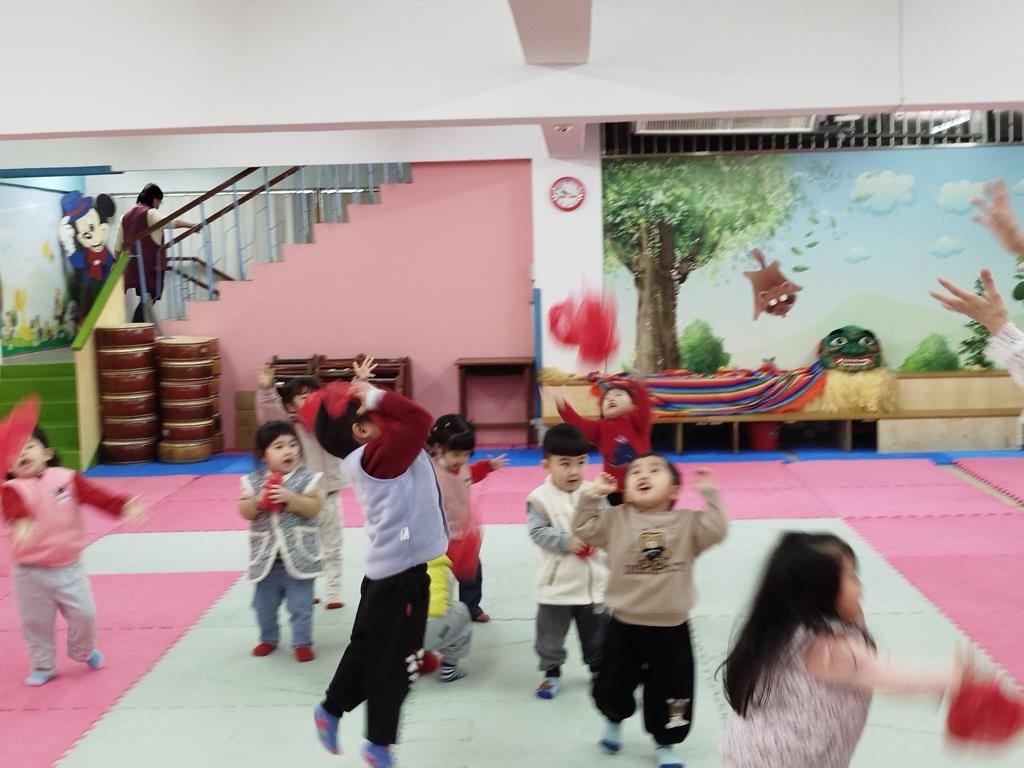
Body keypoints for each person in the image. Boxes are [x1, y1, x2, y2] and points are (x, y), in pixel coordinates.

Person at [719, 532, 972, 768]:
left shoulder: (785, 632)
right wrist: (952, 675)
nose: (860, 586)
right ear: (822, 593)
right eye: (851, 577)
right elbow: (889, 676)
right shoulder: (828, 648)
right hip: (788, 759)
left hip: (754, 750)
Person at [305, 379, 449, 768]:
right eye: (376, 414)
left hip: (395, 571)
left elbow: (404, 419)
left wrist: (368, 391)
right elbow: (418, 418)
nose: (386, 414)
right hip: (400, 575)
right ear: (362, 430)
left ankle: (331, 709)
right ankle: (378, 744)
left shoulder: (379, 451)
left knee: (369, 647)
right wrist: (371, 396)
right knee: (394, 664)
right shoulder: (381, 456)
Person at [573, 454, 728, 768]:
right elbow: (584, 528)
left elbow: (717, 529)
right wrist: (592, 496)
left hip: (671, 628)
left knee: (673, 690)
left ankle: (665, 741)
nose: (643, 475)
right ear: (626, 491)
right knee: (612, 683)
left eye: (655, 470)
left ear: (674, 490)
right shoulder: (615, 519)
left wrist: (710, 496)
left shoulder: (687, 523)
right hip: (624, 624)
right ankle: (614, 718)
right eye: (635, 472)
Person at [1, 427, 145, 686]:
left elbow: (96, 496)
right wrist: (20, 521)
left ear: (47, 453)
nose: (22, 453)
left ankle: (83, 650)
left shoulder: (66, 478)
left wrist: (121, 505)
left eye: (29, 446)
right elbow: (14, 508)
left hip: (68, 567)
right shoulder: (12, 488)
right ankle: (43, 665)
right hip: (29, 573)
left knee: (84, 614)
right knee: (35, 622)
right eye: (13, 452)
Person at [254, 356, 377, 609]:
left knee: (333, 545)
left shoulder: (331, 421)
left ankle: (333, 591)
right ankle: (306, 588)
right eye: (302, 397)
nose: (309, 399)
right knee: (304, 546)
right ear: (290, 405)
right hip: (300, 497)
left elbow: (348, 402)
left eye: (313, 394)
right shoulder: (290, 426)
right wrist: (267, 389)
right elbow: (269, 416)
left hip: (329, 494)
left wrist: (360, 380)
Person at [527, 423, 609, 699]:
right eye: (565, 464)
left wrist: (598, 538)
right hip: (557, 587)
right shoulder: (539, 498)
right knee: (550, 636)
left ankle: (598, 670)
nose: (574, 471)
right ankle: (551, 673)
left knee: (598, 634)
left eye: (581, 462)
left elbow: (607, 522)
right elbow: (537, 532)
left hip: (593, 584)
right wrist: (566, 542)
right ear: (546, 465)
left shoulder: (594, 492)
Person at [239, 421, 324, 662]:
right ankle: (268, 638)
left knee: (301, 605)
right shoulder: (252, 481)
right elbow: (244, 511)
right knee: (263, 605)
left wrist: (291, 499)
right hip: (267, 559)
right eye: (279, 446)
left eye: (293, 445)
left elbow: (314, 507)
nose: (288, 451)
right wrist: (257, 501)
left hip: (299, 555)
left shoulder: (308, 479)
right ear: (263, 455)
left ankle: (302, 642)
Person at [426, 414, 506, 623]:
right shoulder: (430, 470)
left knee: (471, 574)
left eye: (466, 454)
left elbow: (472, 473)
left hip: (464, 535)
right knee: (439, 578)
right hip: (440, 538)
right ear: (437, 448)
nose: (461, 459)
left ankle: (471, 606)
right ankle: (438, 609)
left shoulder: (463, 467)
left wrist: (488, 466)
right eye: (456, 454)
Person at [554, 376, 651, 505]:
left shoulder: (636, 421)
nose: (611, 399)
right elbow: (579, 424)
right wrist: (562, 405)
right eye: (606, 398)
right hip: (613, 489)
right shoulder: (600, 427)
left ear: (633, 406)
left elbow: (644, 408)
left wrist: (638, 387)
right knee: (611, 514)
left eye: (618, 395)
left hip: (642, 484)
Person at [113, 183, 195, 323]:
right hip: (149, 265)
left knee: (146, 300)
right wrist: (191, 225)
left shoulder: (125, 216)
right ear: (155, 199)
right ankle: (136, 328)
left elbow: (117, 246)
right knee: (150, 297)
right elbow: (171, 222)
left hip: (132, 265)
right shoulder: (150, 213)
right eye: (159, 202)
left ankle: (141, 327)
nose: (158, 206)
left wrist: (116, 263)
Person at [419, 553, 472, 683]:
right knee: (461, 611)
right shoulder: (441, 566)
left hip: (401, 636)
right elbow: (444, 605)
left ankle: (408, 663)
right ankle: (449, 667)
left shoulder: (396, 565)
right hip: (433, 627)